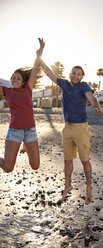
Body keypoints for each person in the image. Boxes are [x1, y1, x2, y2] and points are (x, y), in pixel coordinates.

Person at [40, 56, 103, 204]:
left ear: (82, 77)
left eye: (78, 74)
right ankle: (67, 185)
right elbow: (50, 74)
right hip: (67, 129)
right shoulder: (64, 84)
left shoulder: (83, 86)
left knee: (85, 160)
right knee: (67, 160)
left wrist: (96, 106)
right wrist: (40, 58)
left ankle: (88, 186)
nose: (75, 75)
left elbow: (91, 97)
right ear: (69, 74)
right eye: (73, 73)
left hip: (81, 128)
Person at [0, 38, 45, 173]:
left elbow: (35, 69)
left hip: (30, 131)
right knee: (8, 168)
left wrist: (39, 52)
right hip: (14, 132)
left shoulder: (28, 89)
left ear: (23, 81)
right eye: (13, 77)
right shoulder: (6, 91)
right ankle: (22, 145)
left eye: (18, 78)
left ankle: (25, 145)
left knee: (35, 165)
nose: (15, 79)